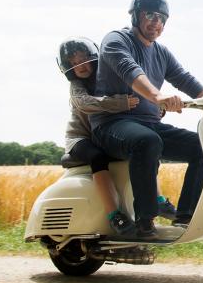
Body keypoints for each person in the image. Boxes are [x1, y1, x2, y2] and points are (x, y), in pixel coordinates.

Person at [90, 0, 203, 239]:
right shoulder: (115, 40)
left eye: (162, 18)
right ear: (136, 15)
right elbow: (130, 71)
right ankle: (145, 222)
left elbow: (185, 79)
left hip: (149, 124)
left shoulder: (161, 52)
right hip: (112, 125)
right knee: (147, 141)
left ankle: (185, 216)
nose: (157, 22)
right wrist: (158, 97)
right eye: (151, 15)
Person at [57, 37, 177, 237]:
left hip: (104, 134)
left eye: (84, 59)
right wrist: (118, 103)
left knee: (146, 145)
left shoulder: (108, 77)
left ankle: (157, 200)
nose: (81, 65)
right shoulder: (77, 86)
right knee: (97, 157)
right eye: (74, 62)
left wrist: (156, 108)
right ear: (68, 66)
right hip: (82, 137)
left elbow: (136, 94)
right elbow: (85, 104)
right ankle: (115, 215)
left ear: (93, 57)